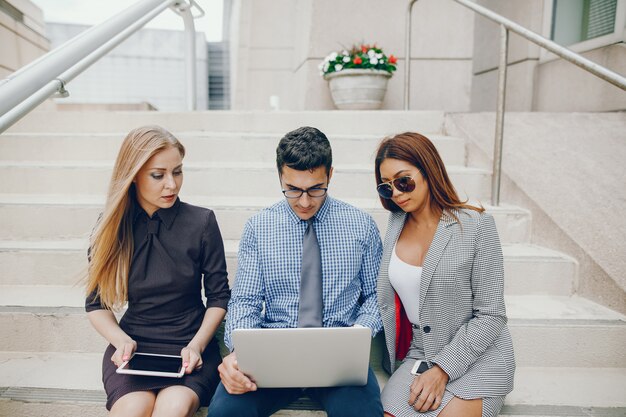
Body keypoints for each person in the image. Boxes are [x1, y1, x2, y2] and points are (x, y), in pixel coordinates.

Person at [207, 126, 384, 417]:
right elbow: (244, 301)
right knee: (225, 412)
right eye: (293, 189)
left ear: (330, 175)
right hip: (271, 358)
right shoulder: (259, 228)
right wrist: (241, 353)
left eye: (315, 188)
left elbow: (377, 295)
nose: (304, 201)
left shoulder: (360, 226)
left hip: (339, 359)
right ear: (280, 176)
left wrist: (359, 335)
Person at [85, 125, 230, 417]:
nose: (172, 185)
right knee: (131, 410)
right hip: (134, 346)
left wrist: (196, 345)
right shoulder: (110, 226)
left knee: (172, 409)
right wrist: (120, 340)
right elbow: (95, 304)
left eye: (177, 172)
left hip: (190, 346)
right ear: (134, 176)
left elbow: (218, 298)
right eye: (158, 175)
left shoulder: (202, 222)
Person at [374, 132, 515, 417]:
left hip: (478, 355)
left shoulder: (476, 226)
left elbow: (491, 315)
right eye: (387, 188)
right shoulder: (394, 223)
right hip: (419, 353)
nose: (398, 193)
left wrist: (443, 369)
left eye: (404, 181)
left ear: (429, 170)